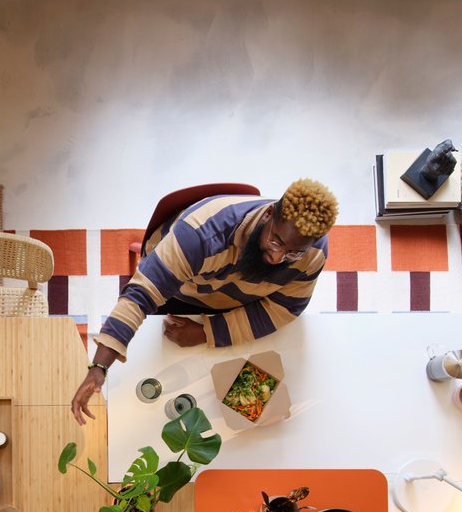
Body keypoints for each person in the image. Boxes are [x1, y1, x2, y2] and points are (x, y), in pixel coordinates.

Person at [70, 179, 339, 424]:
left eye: (293, 253)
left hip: (233, 301)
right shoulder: (201, 235)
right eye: (276, 242)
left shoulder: (312, 252)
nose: (277, 258)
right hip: (181, 289)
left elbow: (284, 309)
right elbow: (143, 294)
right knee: (151, 367)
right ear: (268, 214)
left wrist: (208, 332)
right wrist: (99, 367)